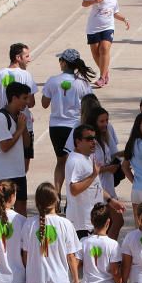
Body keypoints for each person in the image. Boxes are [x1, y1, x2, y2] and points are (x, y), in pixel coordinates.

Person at [42, 49, 95, 194]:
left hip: (56, 127)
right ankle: (71, 195)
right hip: (75, 127)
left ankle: (57, 194)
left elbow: (44, 103)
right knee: (75, 161)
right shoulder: (83, 84)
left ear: (64, 63)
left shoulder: (53, 81)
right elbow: (91, 104)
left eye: (60, 60)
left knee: (60, 161)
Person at [0, 43, 38, 176]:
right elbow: (31, 103)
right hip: (24, 124)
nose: (29, 59)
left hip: (3, 124)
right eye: (26, 56)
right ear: (18, 58)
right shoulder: (26, 75)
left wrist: (0, 109)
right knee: (23, 167)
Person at [65, 125, 125, 238]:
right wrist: (93, 175)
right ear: (78, 141)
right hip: (81, 224)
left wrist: (111, 201)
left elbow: (96, 185)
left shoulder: (89, 157)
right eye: (89, 139)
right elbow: (74, 189)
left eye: (94, 138)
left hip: (91, 222)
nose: (93, 142)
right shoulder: (75, 161)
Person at [0, 82, 33, 216]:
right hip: (2, 174)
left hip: (18, 172)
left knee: (21, 210)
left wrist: (24, 127)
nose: (27, 102)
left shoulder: (20, 117)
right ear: (14, 98)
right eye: (24, 98)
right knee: (1, 212)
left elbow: (26, 144)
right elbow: (5, 146)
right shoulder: (0, 117)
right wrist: (19, 129)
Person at [82, 0, 129, 88]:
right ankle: (105, 71)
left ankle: (102, 77)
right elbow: (84, 3)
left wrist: (124, 19)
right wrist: (94, 1)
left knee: (104, 49)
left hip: (108, 28)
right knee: (95, 53)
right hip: (93, 28)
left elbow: (115, 13)